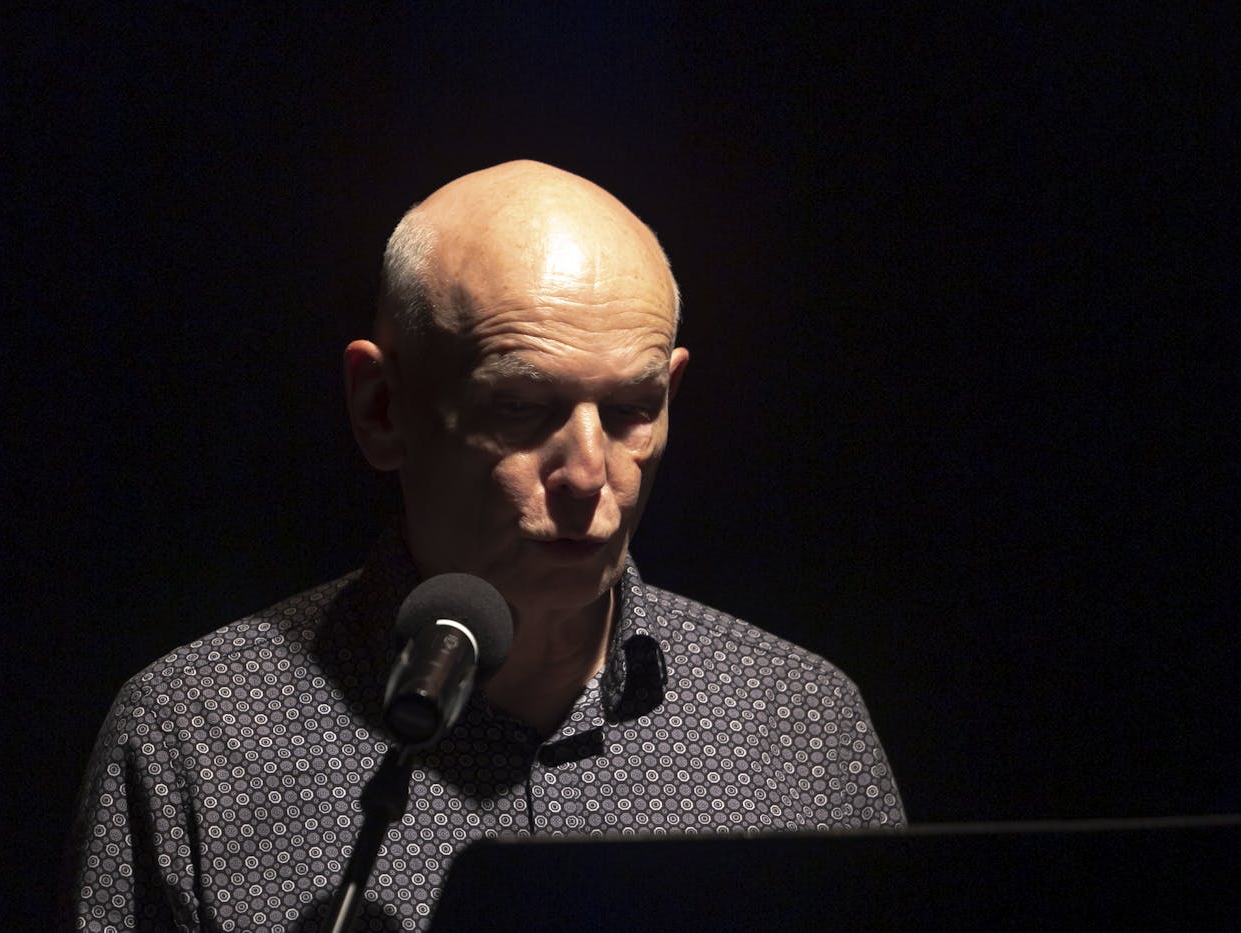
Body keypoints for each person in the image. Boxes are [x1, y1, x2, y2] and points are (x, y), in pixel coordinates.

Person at [66, 160, 904, 931]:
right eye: (522, 407)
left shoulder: (803, 730)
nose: (589, 472)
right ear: (381, 407)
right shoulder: (195, 739)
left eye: (631, 410)